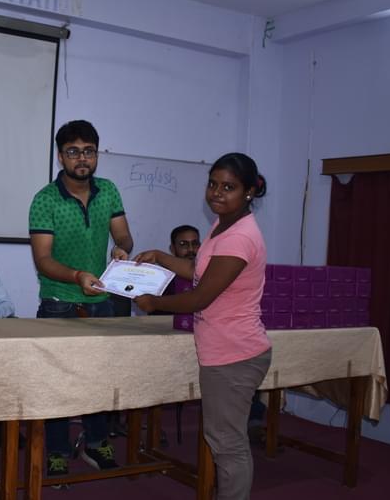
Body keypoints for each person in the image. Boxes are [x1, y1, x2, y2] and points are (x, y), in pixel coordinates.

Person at [133, 152, 271, 500]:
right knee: (223, 438)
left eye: (229, 187)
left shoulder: (239, 236)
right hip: (223, 350)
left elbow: (200, 297)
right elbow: (199, 272)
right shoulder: (223, 224)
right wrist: (162, 258)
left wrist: (154, 303)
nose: (217, 194)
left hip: (234, 354)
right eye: (213, 184)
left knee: (228, 444)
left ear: (249, 192)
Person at [28, 120, 134, 478]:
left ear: (96, 154)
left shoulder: (109, 190)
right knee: (57, 382)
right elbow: (42, 260)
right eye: (73, 151)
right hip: (59, 303)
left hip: (101, 302)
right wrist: (76, 276)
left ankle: (96, 441)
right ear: (61, 157)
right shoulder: (45, 199)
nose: (82, 158)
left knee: (98, 379)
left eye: (88, 151)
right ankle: (56, 450)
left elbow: (123, 235)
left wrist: (121, 249)